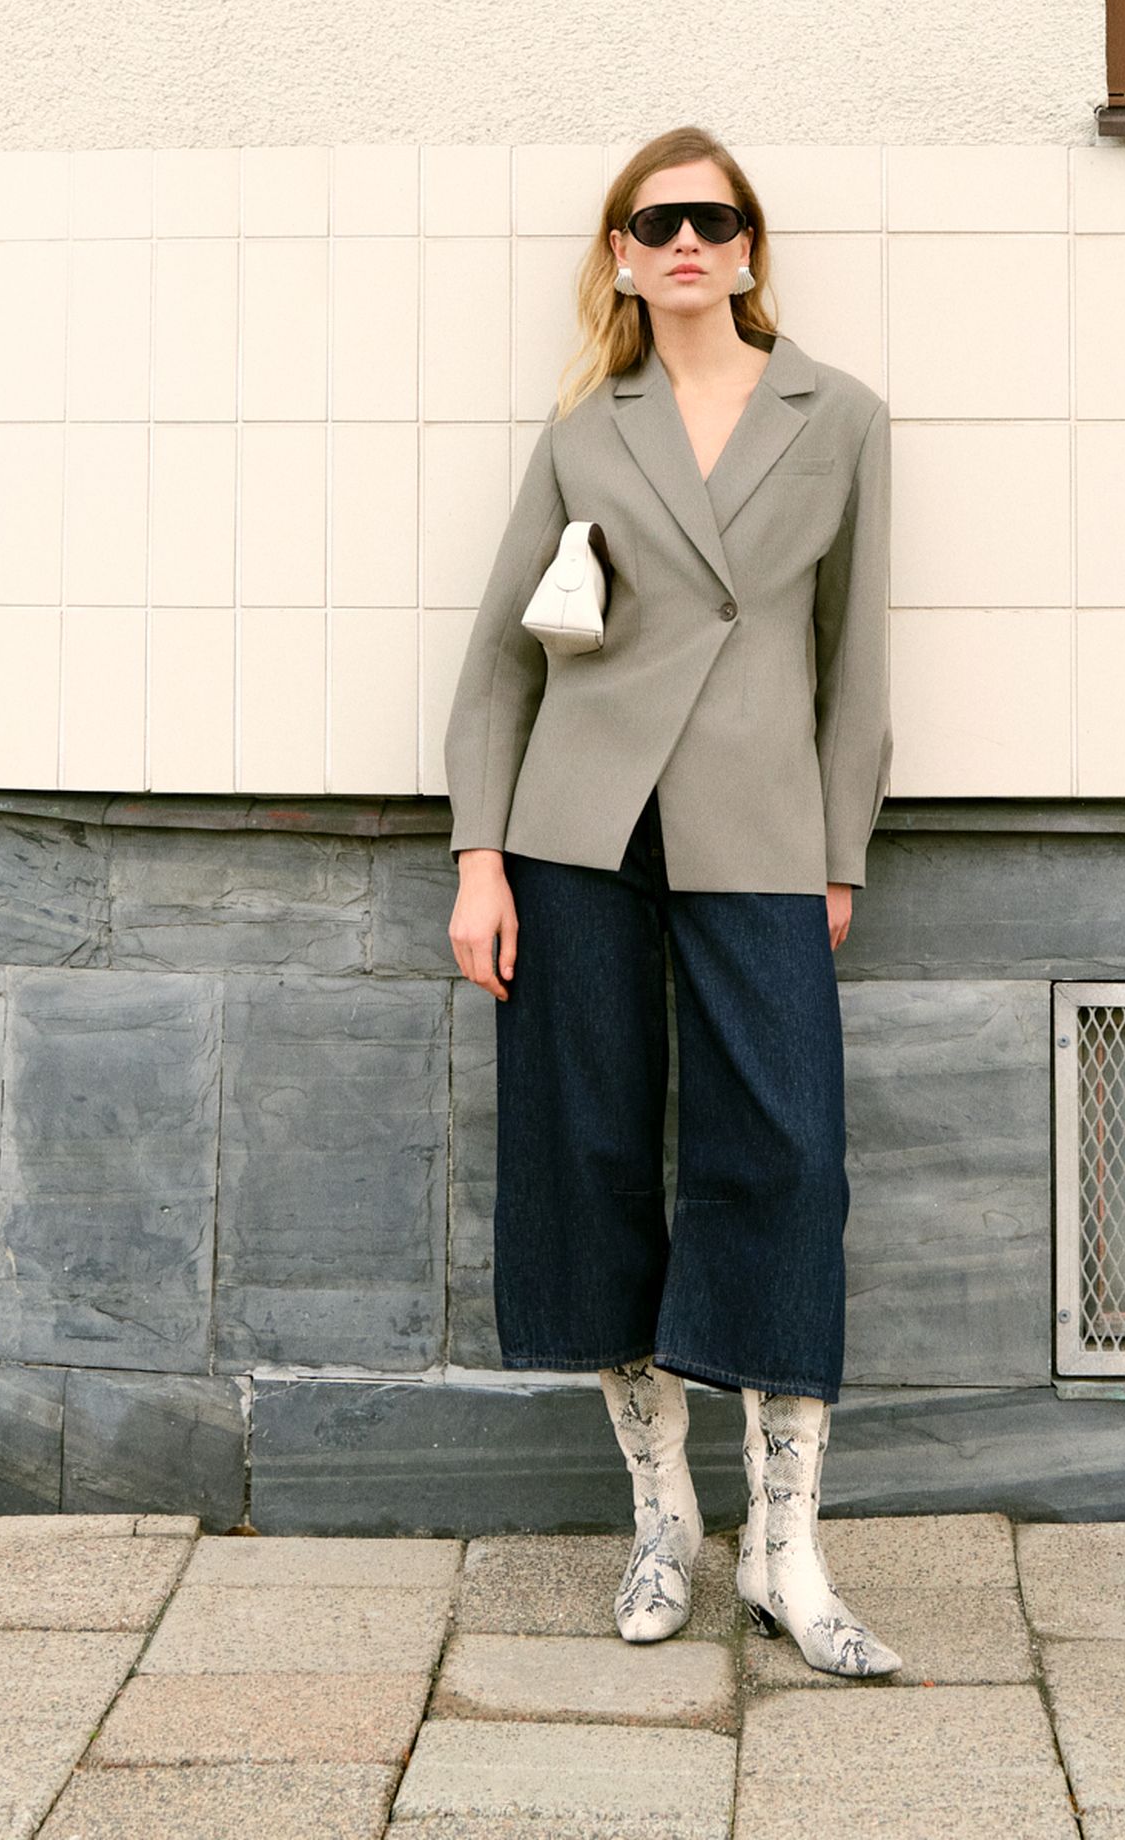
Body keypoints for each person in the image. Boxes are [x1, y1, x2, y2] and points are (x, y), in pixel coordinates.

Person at [443, 126, 901, 1677]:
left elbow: (855, 658)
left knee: (788, 1159)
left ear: (749, 247)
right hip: (579, 829)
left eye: (713, 218)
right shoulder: (588, 430)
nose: (687, 241)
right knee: (587, 1155)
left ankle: (786, 1546)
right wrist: (481, 857)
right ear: (624, 258)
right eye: (657, 223)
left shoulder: (838, 417)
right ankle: (663, 1517)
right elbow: (502, 662)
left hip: (760, 829)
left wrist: (839, 851)